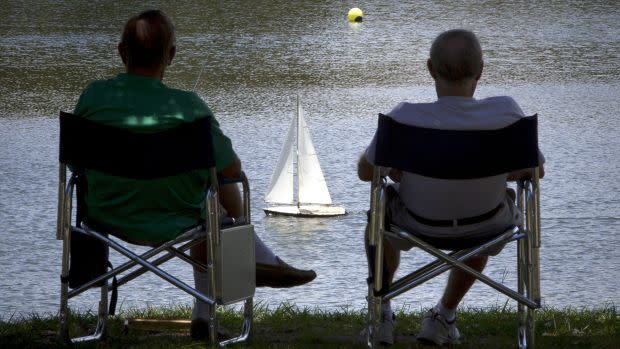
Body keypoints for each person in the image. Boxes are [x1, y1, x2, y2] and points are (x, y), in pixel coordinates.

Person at [73, 9, 316, 340]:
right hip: (180, 219)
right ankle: (250, 253)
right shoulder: (188, 107)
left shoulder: (93, 97)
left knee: (211, 197)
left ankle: (207, 310)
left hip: (105, 218)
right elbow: (232, 169)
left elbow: (75, 167)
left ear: (121, 52)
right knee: (220, 190)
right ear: (171, 55)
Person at [358, 29, 545, 346]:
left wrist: (402, 170)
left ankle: (383, 313)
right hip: (486, 226)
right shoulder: (507, 114)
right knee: (493, 204)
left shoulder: (404, 118)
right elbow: (534, 170)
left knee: (378, 208)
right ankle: (443, 316)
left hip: (415, 224)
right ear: (481, 71)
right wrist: (488, 170)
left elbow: (366, 173)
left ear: (430, 68)